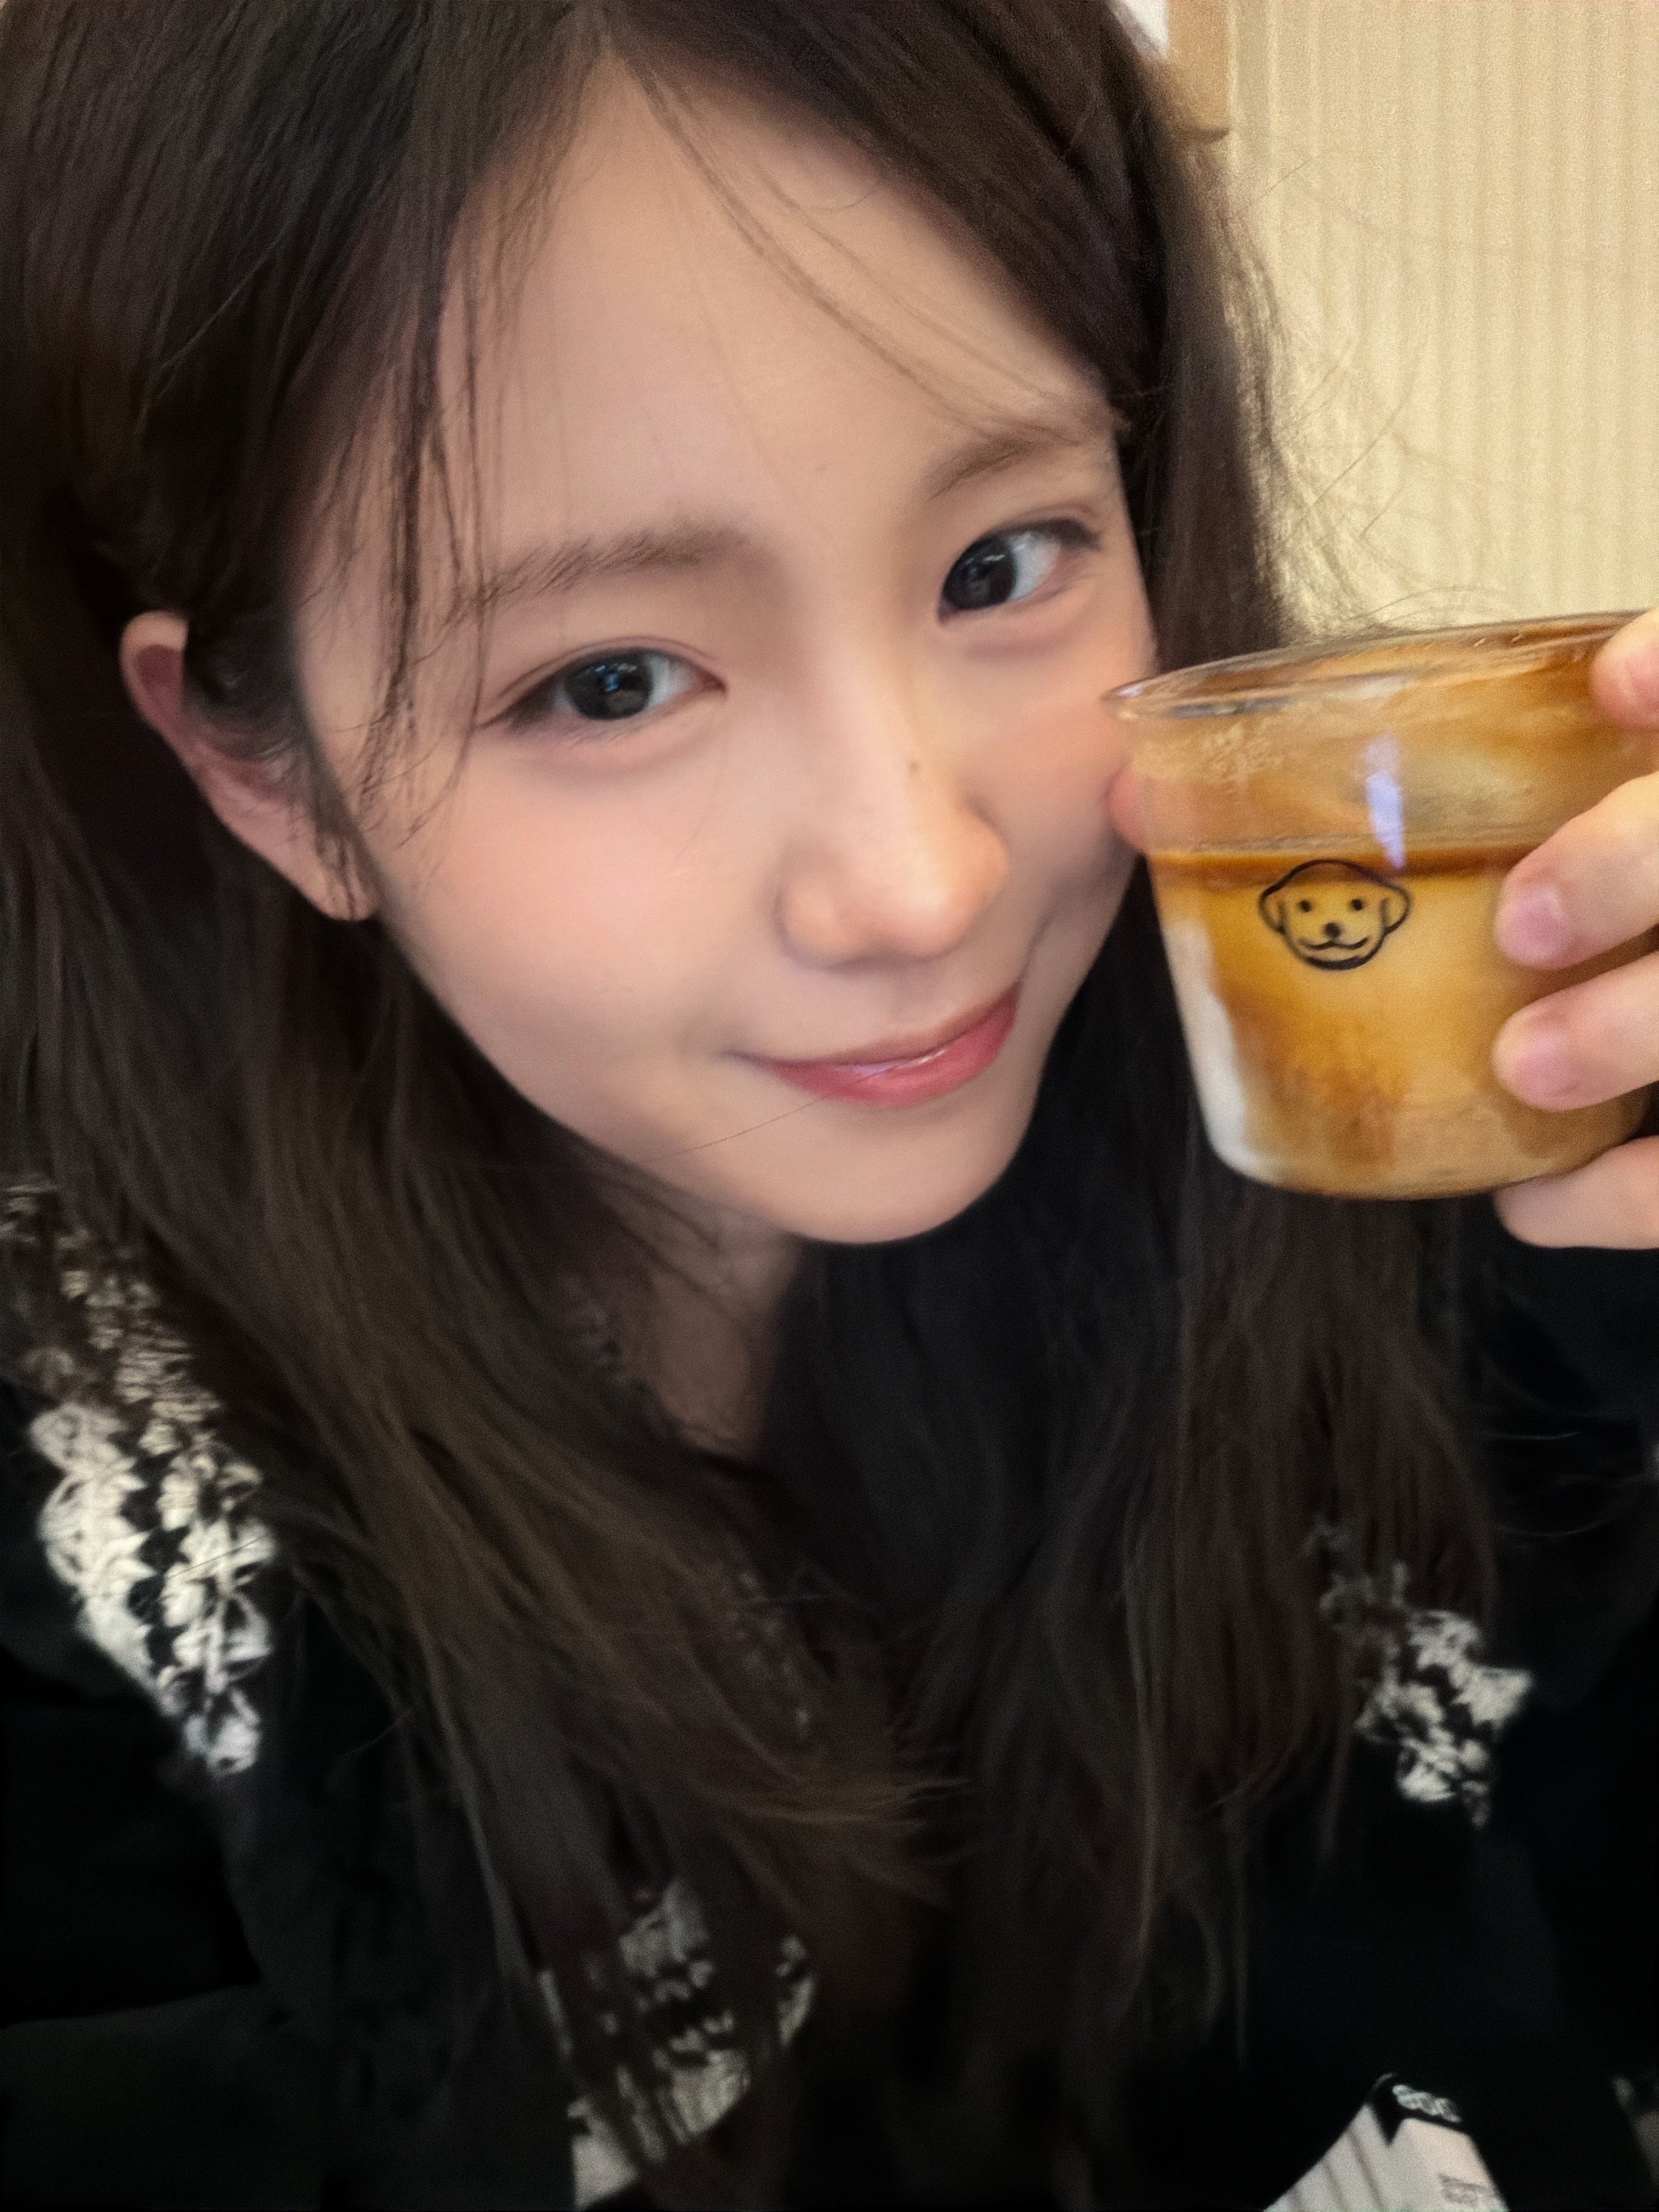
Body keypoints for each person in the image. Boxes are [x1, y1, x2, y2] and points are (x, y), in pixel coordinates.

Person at [1, 3, 1655, 2204]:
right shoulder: (105, 1645)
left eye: (1005, 563)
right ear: (265, 771)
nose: (922, 883)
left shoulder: (1403, 1155)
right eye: (609, 680)